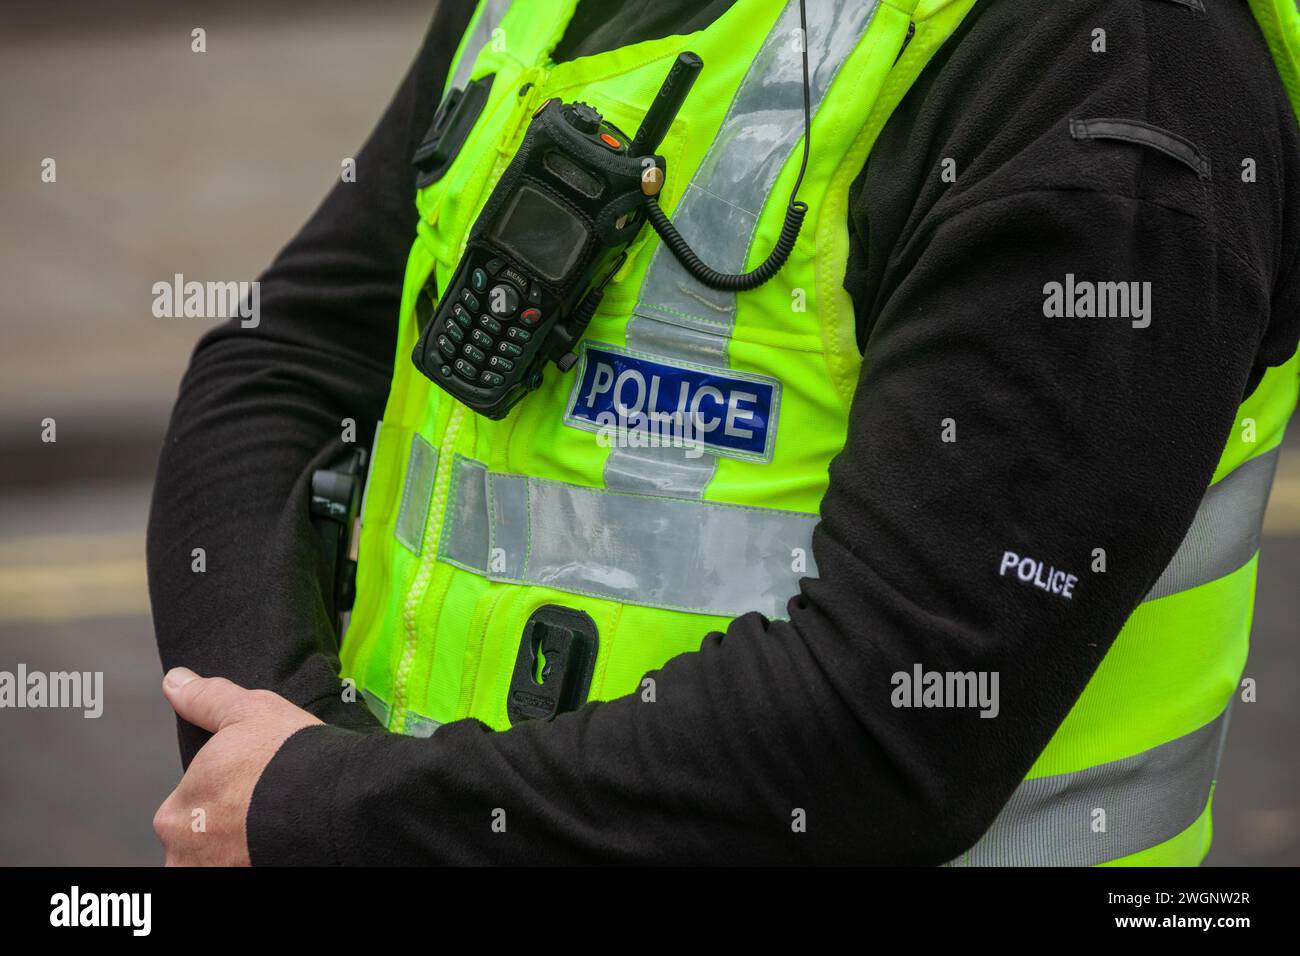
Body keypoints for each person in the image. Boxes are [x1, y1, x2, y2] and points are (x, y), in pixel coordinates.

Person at [149, 0, 1300, 865]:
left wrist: (332, 814)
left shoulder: (1115, 74)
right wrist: (275, 745)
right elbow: (280, 358)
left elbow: (884, 727)